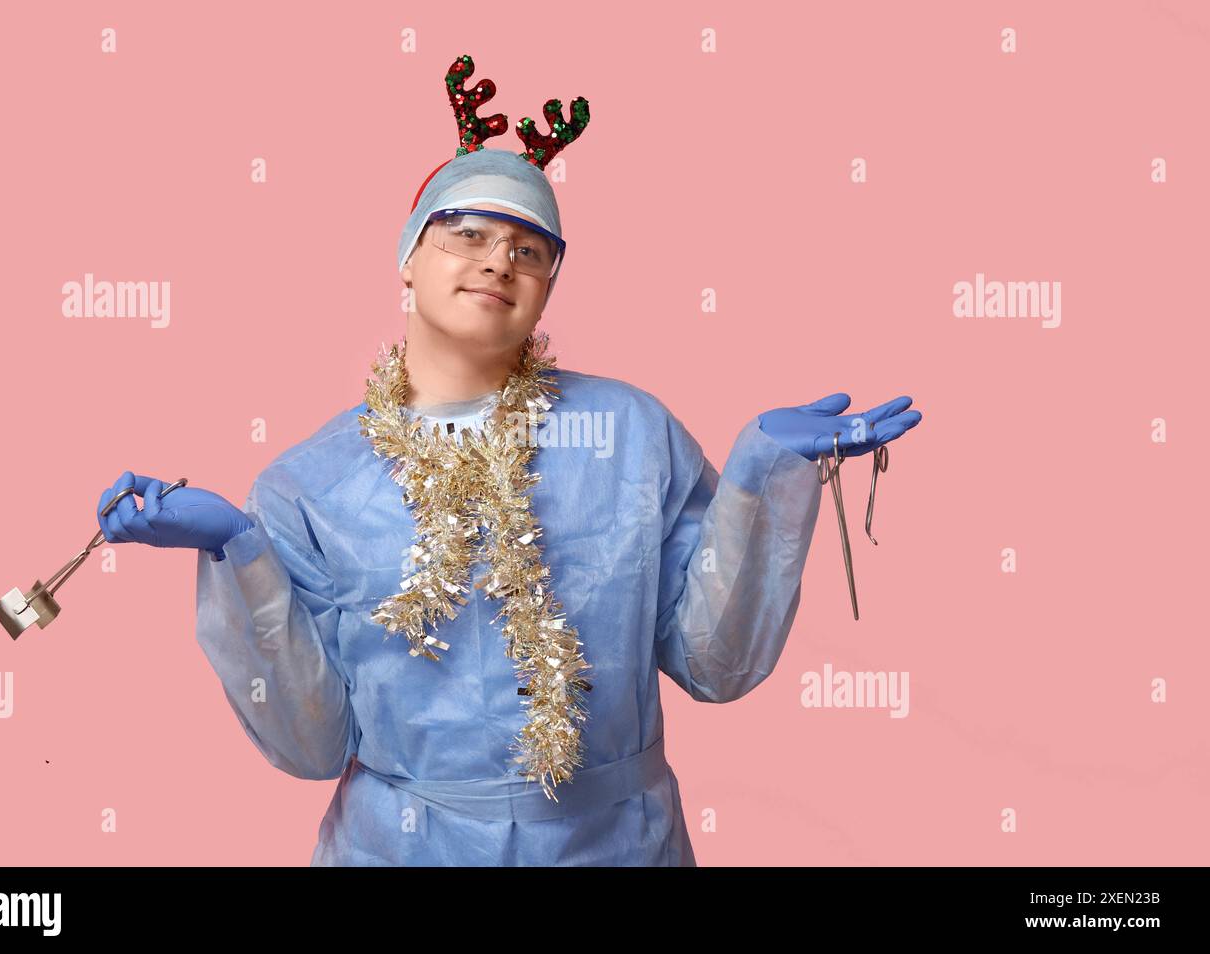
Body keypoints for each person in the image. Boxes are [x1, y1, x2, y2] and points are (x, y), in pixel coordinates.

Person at [96, 55, 922, 866]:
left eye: (532, 249)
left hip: (617, 848)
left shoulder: (631, 434)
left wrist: (759, 480)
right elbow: (312, 742)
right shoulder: (311, 484)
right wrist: (237, 551)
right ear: (408, 258)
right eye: (468, 235)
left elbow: (715, 663)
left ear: (550, 283)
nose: (500, 260)